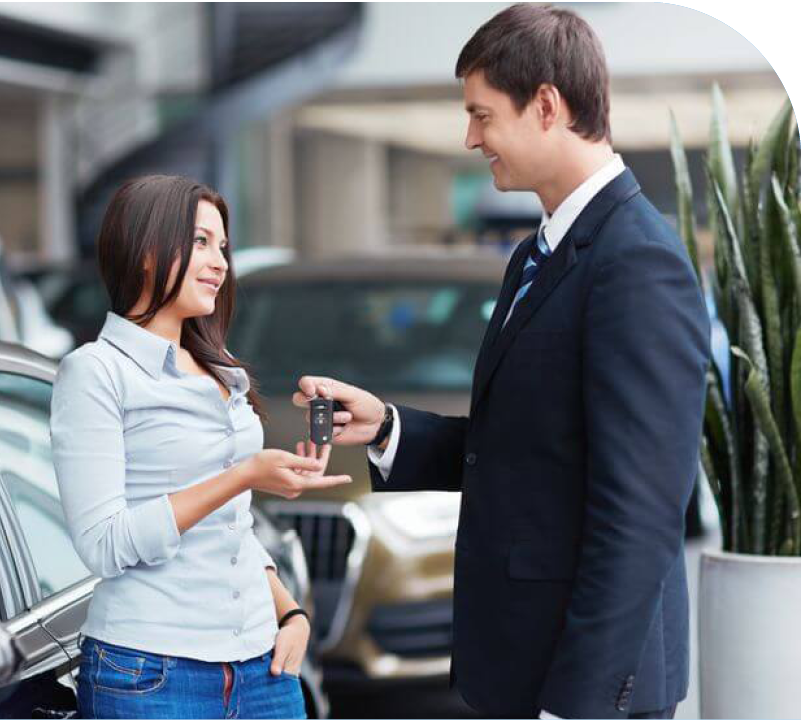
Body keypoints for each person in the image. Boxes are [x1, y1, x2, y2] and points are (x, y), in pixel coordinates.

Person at [293, 5, 709, 719]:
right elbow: (528, 448)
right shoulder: (535, 253)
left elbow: (638, 518)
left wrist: (571, 708)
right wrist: (392, 427)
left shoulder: (637, 262)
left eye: (482, 115)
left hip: (583, 690)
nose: (470, 137)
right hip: (522, 665)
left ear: (546, 105)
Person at [50, 175, 351, 719]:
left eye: (224, 248)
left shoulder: (218, 366)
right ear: (145, 250)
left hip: (263, 664)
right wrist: (244, 475)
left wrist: (291, 614)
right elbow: (103, 544)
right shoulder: (95, 372)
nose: (221, 263)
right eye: (201, 243)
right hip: (151, 672)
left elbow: (230, 527)